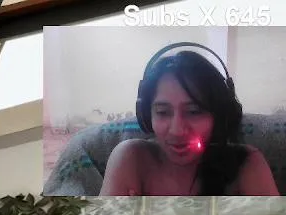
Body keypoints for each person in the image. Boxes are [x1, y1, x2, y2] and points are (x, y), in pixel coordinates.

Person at [101, 45, 278, 196]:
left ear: (219, 116)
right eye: (162, 112)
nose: (177, 131)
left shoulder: (247, 164)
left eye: (194, 112)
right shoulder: (130, 159)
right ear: (146, 116)